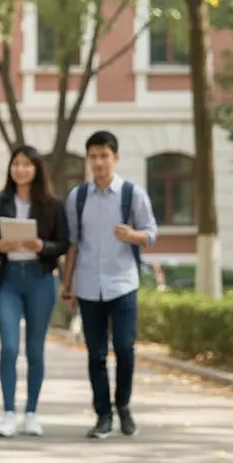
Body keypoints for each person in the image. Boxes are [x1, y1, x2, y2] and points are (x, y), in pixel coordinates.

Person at [62, 130, 158, 440]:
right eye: (93, 156)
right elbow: (73, 244)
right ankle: (103, 414)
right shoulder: (78, 197)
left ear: (115, 158)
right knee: (96, 355)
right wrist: (68, 285)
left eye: (105, 156)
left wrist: (133, 235)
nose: (99, 162)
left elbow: (152, 233)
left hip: (123, 283)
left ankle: (124, 406)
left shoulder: (133, 194)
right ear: (88, 159)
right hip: (89, 286)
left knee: (126, 350)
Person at [0, 146, 69, 438]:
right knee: (8, 347)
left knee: (34, 349)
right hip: (7, 280)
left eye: (27, 164)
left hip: (40, 279)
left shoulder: (52, 204)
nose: (21, 169)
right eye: (16, 164)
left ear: (37, 169)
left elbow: (63, 243)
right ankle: (7, 412)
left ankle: (31, 412)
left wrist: (43, 246)